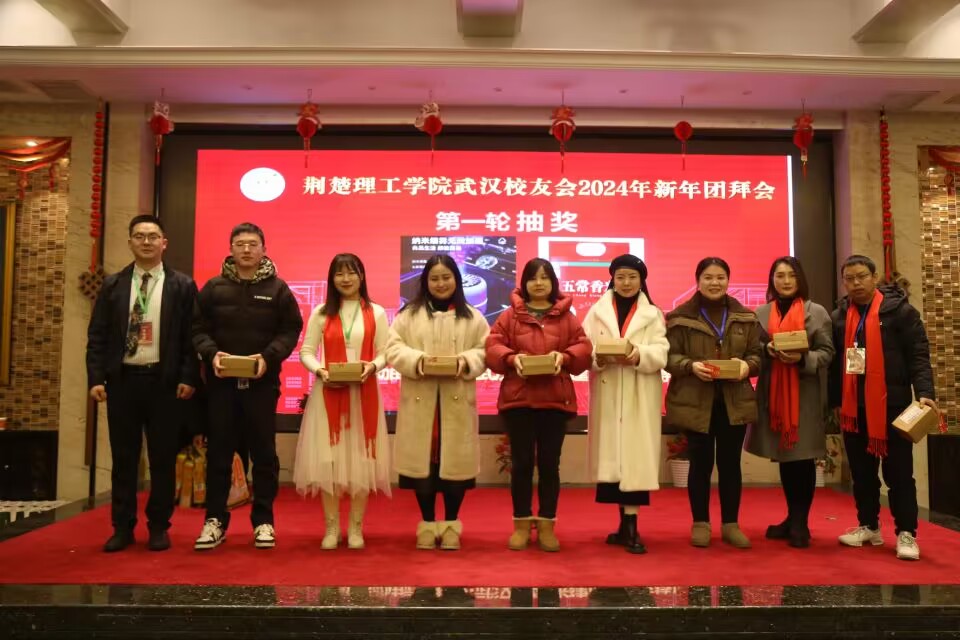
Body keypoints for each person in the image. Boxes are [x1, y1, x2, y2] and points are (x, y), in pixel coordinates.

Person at [86, 214, 199, 552]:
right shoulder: (113, 285)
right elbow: (98, 336)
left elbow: (192, 337)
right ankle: (122, 527)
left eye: (152, 236)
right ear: (130, 242)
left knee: (162, 459)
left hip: (164, 382)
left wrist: (188, 377)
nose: (146, 242)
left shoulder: (182, 285)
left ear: (164, 242)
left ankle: (159, 526)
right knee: (124, 459)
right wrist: (96, 378)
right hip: (123, 381)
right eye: (139, 236)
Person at [191, 222, 303, 550]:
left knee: (264, 454)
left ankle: (264, 521)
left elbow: (291, 329)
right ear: (231, 249)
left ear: (263, 249)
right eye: (240, 244)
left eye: (253, 244)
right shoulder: (214, 288)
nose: (246, 249)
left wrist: (268, 357)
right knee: (220, 454)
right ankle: (215, 520)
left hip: (262, 385)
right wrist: (211, 354)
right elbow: (197, 328)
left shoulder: (278, 289)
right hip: (221, 386)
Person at [828, 255, 938, 561]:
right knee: (862, 473)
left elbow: (919, 354)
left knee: (899, 474)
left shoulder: (900, 312)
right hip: (854, 409)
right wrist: (835, 401)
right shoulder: (839, 316)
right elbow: (836, 365)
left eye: (862, 276)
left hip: (893, 405)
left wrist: (925, 393)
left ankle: (907, 533)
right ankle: (869, 526)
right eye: (849, 278)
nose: (856, 283)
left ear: (875, 277)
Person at [485, 257, 592, 552]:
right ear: (525, 283)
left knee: (549, 466)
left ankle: (547, 524)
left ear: (553, 282)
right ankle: (520, 523)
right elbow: (492, 346)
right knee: (520, 465)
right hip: (519, 401)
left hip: (554, 402)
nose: (539, 283)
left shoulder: (567, 317)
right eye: (533, 278)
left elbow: (584, 348)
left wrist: (565, 357)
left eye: (545, 277)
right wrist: (511, 358)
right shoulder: (510, 315)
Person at [386, 254, 490, 551]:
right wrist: (419, 361)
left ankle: (452, 524)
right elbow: (393, 348)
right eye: (434, 278)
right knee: (424, 468)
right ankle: (428, 524)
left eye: (446, 277)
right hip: (422, 402)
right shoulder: (409, 315)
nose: (441, 283)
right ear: (425, 282)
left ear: (456, 279)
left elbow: (485, 350)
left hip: (456, 402)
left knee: (455, 467)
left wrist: (464, 362)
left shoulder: (472, 317)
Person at [294, 253, 391, 550]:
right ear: (332, 279)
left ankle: (356, 528)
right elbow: (306, 352)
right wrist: (320, 371)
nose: (346, 279)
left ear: (362, 276)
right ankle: (332, 528)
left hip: (364, 395)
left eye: (351, 273)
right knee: (330, 460)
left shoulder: (376, 312)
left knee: (362, 460)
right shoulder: (321, 312)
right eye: (339, 274)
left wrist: (371, 367)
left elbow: (385, 353)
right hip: (328, 395)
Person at [665, 257, 762, 549]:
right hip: (695, 401)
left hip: (733, 401)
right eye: (708, 277)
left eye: (720, 277)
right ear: (698, 281)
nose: (714, 283)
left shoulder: (745, 317)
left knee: (731, 464)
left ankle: (731, 524)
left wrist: (747, 366)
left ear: (728, 281)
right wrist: (690, 366)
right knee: (700, 464)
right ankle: (700, 523)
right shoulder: (680, 317)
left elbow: (758, 355)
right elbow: (669, 357)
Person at [745, 256, 834, 548]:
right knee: (785, 456)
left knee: (802, 458)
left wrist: (802, 358)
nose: (785, 281)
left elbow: (827, 353)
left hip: (803, 395)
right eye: (779, 275)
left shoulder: (816, 312)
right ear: (772, 280)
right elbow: (752, 350)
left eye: (791, 275)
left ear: (800, 279)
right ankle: (792, 517)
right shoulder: (761, 313)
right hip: (773, 394)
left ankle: (800, 522)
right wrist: (766, 349)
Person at [582, 254, 669, 555]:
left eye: (632, 277)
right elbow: (583, 348)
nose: (626, 283)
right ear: (612, 279)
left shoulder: (652, 314)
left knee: (634, 461)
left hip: (637, 393)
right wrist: (598, 357)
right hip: (608, 391)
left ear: (642, 280)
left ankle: (631, 526)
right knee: (614, 463)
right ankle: (622, 526)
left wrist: (638, 354)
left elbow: (661, 352)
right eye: (620, 277)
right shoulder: (596, 312)